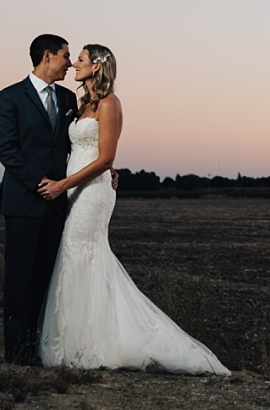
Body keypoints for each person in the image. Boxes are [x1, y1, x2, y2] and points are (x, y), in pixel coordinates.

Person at [36, 44, 230, 374]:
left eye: (80, 60)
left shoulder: (110, 103)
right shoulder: (83, 104)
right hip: (77, 188)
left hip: (92, 192)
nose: (74, 66)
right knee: (76, 256)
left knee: (80, 252)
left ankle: (92, 343)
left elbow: (106, 158)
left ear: (96, 66)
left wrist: (64, 184)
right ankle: (76, 337)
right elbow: (87, 152)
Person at [0, 33, 78, 365]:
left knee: (45, 278)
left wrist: (106, 170)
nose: (70, 64)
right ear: (47, 56)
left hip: (57, 205)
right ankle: (17, 353)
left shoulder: (70, 99)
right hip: (23, 202)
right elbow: (4, 148)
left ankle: (40, 346)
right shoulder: (10, 97)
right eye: (66, 56)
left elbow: (80, 146)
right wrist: (39, 182)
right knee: (18, 279)